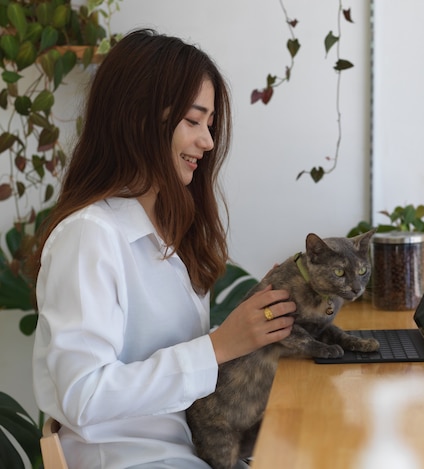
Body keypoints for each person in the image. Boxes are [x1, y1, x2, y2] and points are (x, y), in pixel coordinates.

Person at [31, 29, 295, 468]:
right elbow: (82, 394)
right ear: (139, 118)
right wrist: (217, 348)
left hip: (183, 453)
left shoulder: (168, 239)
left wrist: (253, 323)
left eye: (209, 125)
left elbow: (181, 381)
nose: (208, 142)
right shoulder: (89, 236)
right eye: (193, 122)